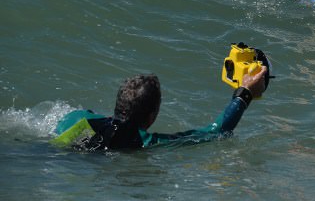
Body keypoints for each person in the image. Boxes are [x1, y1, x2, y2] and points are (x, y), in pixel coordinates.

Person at [51, 67, 267, 151]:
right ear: (152, 116)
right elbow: (216, 132)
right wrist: (245, 93)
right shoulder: (146, 143)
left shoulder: (77, 117)